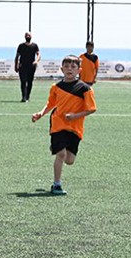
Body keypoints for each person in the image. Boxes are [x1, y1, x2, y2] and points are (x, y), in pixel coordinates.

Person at [31, 55, 97, 195]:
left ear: (79, 70)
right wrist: (41, 113)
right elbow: (51, 104)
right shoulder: (56, 87)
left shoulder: (85, 89)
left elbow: (91, 109)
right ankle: (57, 185)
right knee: (60, 154)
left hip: (75, 128)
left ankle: (56, 147)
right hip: (58, 123)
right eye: (66, 67)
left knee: (70, 160)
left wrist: (75, 116)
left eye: (73, 67)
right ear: (61, 69)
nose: (69, 69)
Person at [15, 32, 41, 102]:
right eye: (26, 35)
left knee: (29, 82)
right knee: (23, 81)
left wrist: (36, 61)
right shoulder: (21, 46)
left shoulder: (34, 46)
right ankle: (23, 97)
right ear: (24, 37)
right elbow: (17, 56)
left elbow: (38, 55)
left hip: (31, 67)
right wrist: (16, 66)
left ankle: (27, 96)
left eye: (29, 35)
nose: (28, 36)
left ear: (31, 36)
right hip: (22, 66)